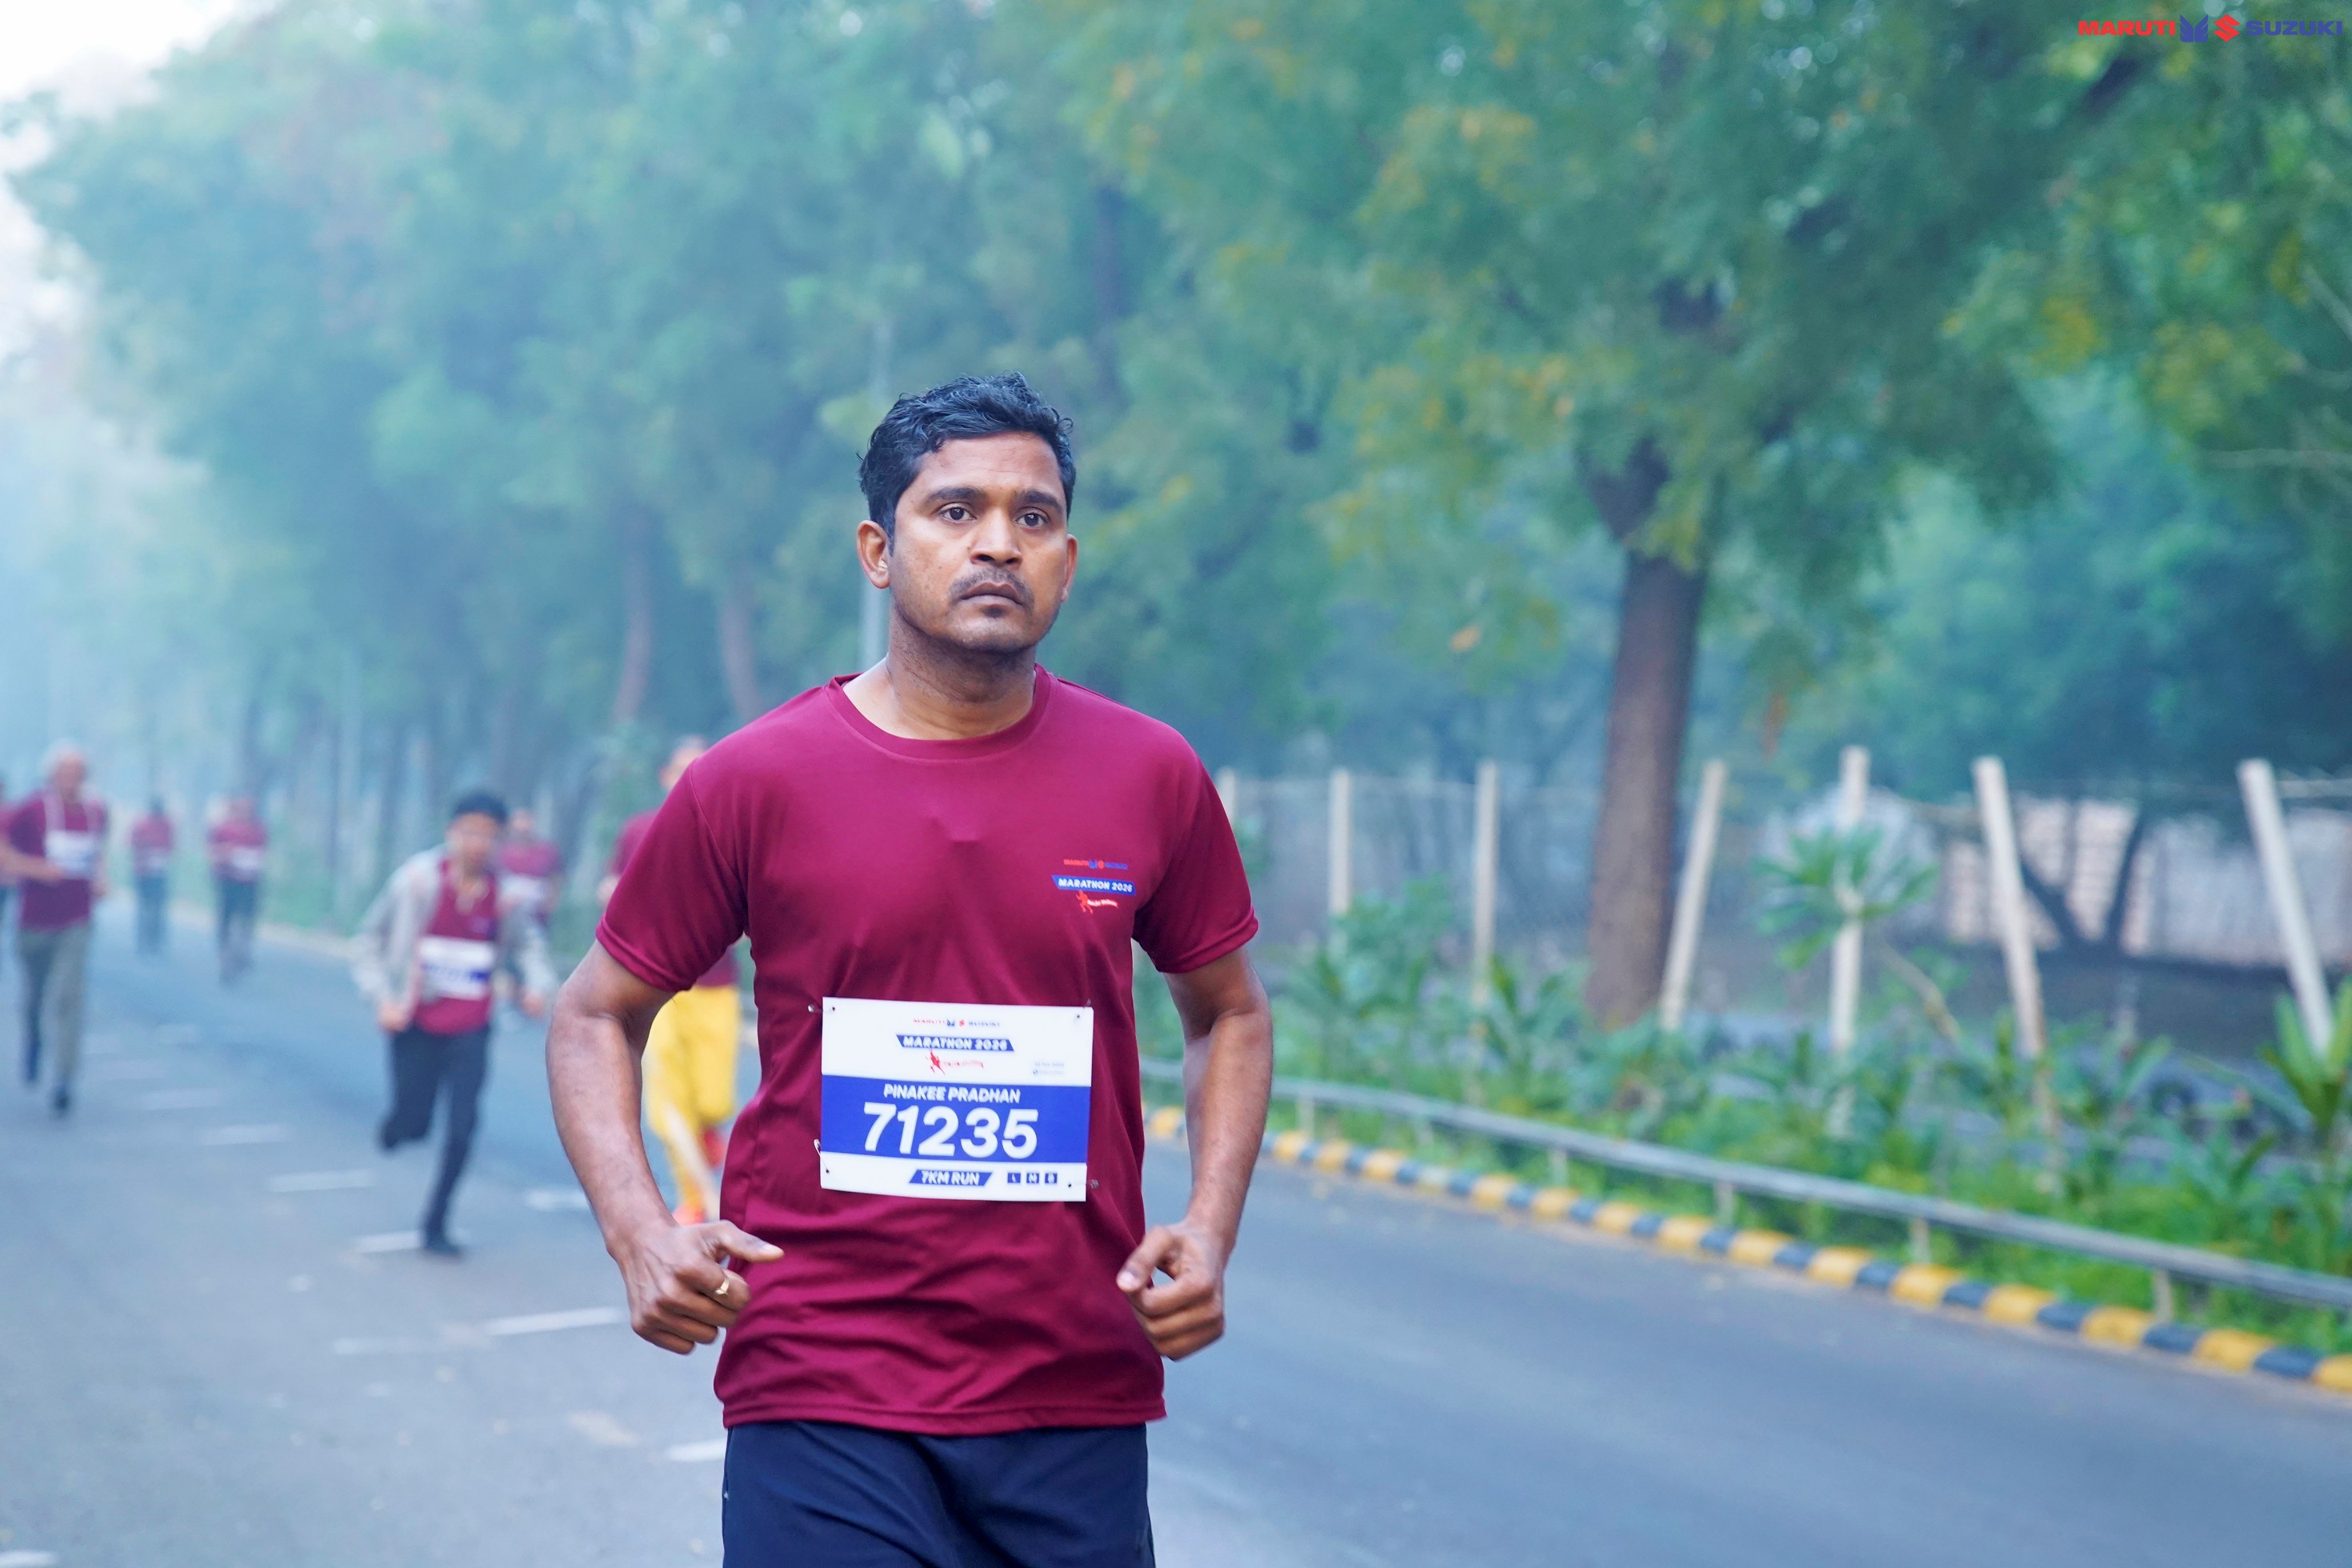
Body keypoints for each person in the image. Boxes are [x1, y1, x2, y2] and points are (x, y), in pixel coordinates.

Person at [548, 374, 1274, 1567]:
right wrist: (637, 1232)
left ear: (1068, 562)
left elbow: (1230, 1012)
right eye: (955, 510)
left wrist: (1210, 1225)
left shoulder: (1150, 774)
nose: (998, 543)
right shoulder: (756, 780)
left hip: (1073, 1390)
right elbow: (594, 1012)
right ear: (879, 552)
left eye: (1033, 517)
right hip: (821, 1383)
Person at [353, 790, 554, 1257]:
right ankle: (400, 1125)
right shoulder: (417, 883)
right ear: (451, 833)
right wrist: (382, 998)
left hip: (471, 1027)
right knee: (415, 1122)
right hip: (415, 1021)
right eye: (470, 832)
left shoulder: (506, 897)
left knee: (463, 1128)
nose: (478, 844)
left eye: (489, 835)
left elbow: (530, 947)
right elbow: (368, 941)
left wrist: (536, 986)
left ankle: (436, 1223)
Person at [598, 738, 741, 1227]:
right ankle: (695, 1199)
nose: (691, 776)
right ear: (665, 777)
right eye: (682, 769)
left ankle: (709, 1135)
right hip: (659, 986)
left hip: (716, 982)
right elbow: (613, 888)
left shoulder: (732, 829)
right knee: (669, 1099)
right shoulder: (640, 831)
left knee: (714, 1097)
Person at [2, 744, 109, 1117]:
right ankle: (33, 1040)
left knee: (69, 995)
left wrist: (101, 878)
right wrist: (35, 869)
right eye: (65, 773)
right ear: (51, 775)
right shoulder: (31, 810)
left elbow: (97, 853)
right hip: (34, 921)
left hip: (76, 918)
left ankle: (65, 1076)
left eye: (78, 774)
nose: (72, 780)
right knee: (35, 996)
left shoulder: (96, 811)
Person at [207, 795, 267, 982]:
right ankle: (225, 955)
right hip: (228, 881)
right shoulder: (223, 829)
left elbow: (262, 854)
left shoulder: (258, 831)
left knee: (247, 918)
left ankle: (243, 950)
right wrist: (225, 854)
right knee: (226, 918)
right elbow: (212, 852)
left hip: (249, 882)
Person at [497, 807, 566, 930]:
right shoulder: (501, 851)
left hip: (536, 914)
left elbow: (557, 878)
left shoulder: (546, 851)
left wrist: (551, 904)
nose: (522, 826)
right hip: (506, 914)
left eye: (525, 821)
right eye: (518, 821)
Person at [130, 798, 174, 954]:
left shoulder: (166, 826)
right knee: (146, 906)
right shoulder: (143, 825)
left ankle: (154, 937)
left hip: (159, 872)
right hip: (144, 872)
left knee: (157, 907)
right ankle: (144, 938)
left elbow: (171, 846)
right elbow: (134, 844)